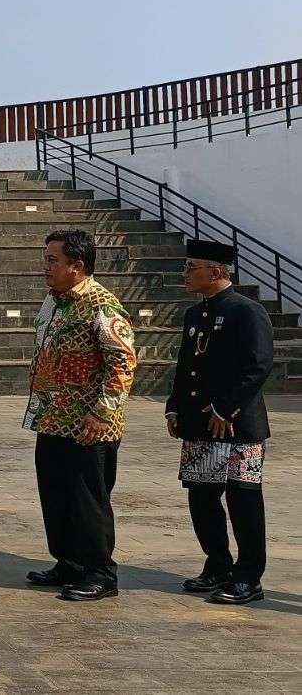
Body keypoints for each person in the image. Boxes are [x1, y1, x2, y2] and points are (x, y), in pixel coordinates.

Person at [24, 228, 137, 601]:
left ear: (78, 265)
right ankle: (69, 561)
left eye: (52, 260)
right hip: (54, 418)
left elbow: (122, 361)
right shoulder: (54, 300)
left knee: (88, 498)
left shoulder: (101, 303)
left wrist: (102, 413)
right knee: (55, 493)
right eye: (46, 259)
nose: (45, 267)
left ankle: (100, 571)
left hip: (89, 423)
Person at [166, 239, 273, 606]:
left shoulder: (248, 311)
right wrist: (174, 406)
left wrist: (225, 409)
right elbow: (185, 366)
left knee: (243, 499)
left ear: (215, 271)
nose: (185, 274)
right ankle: (217, 564)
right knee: (201, 497)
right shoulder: (195, 315)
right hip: (199, 424)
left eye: (190, 267)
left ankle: (248, 576)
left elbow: (257, 366)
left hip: (236, 426)